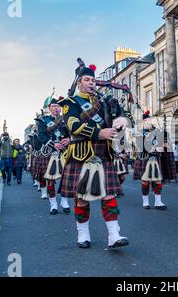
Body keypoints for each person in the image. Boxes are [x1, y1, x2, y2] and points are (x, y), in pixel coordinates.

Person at [57, 64, 130, 249]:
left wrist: (123, 121)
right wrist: (99, 133)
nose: (92, 83)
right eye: (87, 80)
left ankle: (114, 234)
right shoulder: (69, 103)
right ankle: (83, 233)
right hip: (81, 155)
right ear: (79, 82)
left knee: (109, 195)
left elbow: (119, 118)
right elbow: (73, 126)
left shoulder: (104, 101)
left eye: (93, 80)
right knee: (81, 198)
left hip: (104, 153)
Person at [36, 98, 71, 214]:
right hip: (49, 152)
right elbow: (41, 136)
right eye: (54, 106)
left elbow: (72, 133)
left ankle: (64, 201)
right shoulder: (43, 120)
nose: (56, 108)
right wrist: (53, 144)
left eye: (58, 106)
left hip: (64, 151)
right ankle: (53, 205)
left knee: (66, 179)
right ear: (50, 108)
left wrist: (69, 140)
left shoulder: (67, 119)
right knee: (50, 180)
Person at [133, 110, 169, 210]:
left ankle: (158, 202)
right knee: (145, 181)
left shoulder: (157, 131)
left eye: (150, 120)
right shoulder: (140, 133)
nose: (149, 122)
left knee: (158, 180)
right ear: (143, 122)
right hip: (145, 158)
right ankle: (145, 202)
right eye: (147, 121)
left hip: (156, 158)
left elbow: (164, 141)